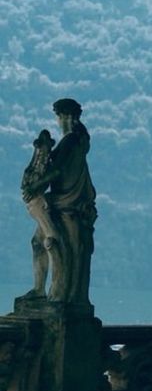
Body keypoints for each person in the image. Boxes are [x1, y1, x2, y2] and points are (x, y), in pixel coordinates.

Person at [21, 98, 97, 304]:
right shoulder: (81, 139)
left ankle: (49, 292)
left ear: (62, 117)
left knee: (46, 242)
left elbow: (57, 170)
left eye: (59, 116)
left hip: (60, 203)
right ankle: (39, 290)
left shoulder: (71, 140)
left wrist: (35, 186)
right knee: (39, 242)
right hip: (69, 203)